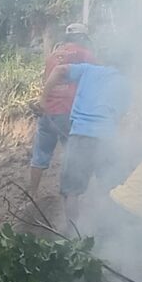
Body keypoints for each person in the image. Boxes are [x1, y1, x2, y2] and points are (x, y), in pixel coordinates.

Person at [44, 56, 132, 226]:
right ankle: (110, 230)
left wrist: (43, 99)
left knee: (71, 191)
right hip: (107, 138)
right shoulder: (126, 84)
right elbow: (120, 117)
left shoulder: (89, 70)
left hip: (81, 136)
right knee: (110, 188)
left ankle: (72, 234)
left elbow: (59, 70)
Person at [28, 23, 96, 198]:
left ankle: (31, 194)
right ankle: (71, 197)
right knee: (73, 154)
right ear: (82, 38)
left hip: (47, 111)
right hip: (69, 112)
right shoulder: (86, 55)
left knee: (40, 154)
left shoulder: (53, 56)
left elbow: (47, 81)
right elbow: (95, 81)